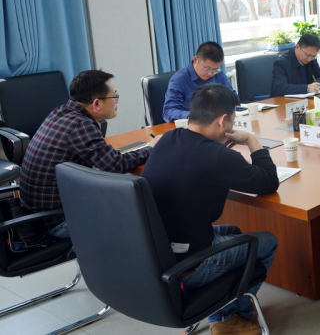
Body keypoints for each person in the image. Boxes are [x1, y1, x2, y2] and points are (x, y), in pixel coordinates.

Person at [142, 84, 278, 335]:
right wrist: (251, 140)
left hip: (158, 256)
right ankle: (228, 319)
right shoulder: (218, 156)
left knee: (234, 231)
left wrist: (220, 154)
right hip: (189, 266)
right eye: (233, 120)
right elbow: (269, 182)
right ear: (223, 121)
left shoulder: (168, 138)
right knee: (267, 241)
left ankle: (226, 310)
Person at [18, 70, 160, 244]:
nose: (117, 101)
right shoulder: (80, 125)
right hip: (58, 222)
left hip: (37, 214)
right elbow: (115, 165)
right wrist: (151, 148)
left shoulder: (61, 112)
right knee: (143, 206)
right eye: (114, 96)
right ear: (97, 103)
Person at [163, 41, 237, 123]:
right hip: (193, 125)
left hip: (216, 123)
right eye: (207, 69)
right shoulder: (178, 80)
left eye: (215, 69)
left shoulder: (219, 74)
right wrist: (194, 117)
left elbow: (233, 97)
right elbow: (168, 112)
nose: (211, 73)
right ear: (195, 59)